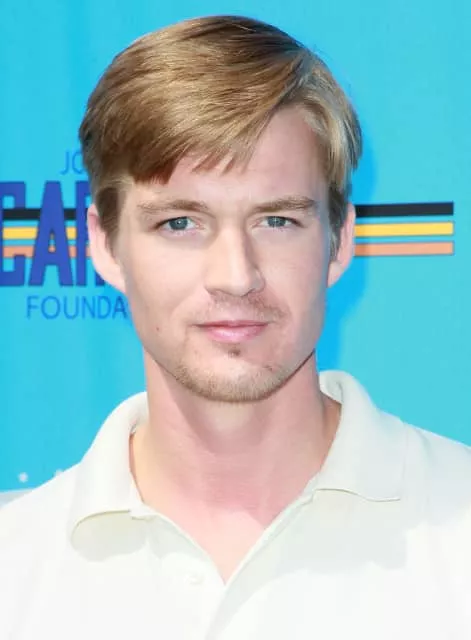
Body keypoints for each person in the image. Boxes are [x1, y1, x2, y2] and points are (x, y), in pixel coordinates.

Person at [1, 14, 470, 640]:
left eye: (277, 221)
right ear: (105, 245)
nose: (235, 276)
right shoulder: (16, 566)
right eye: (180, 223)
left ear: (339, 242)